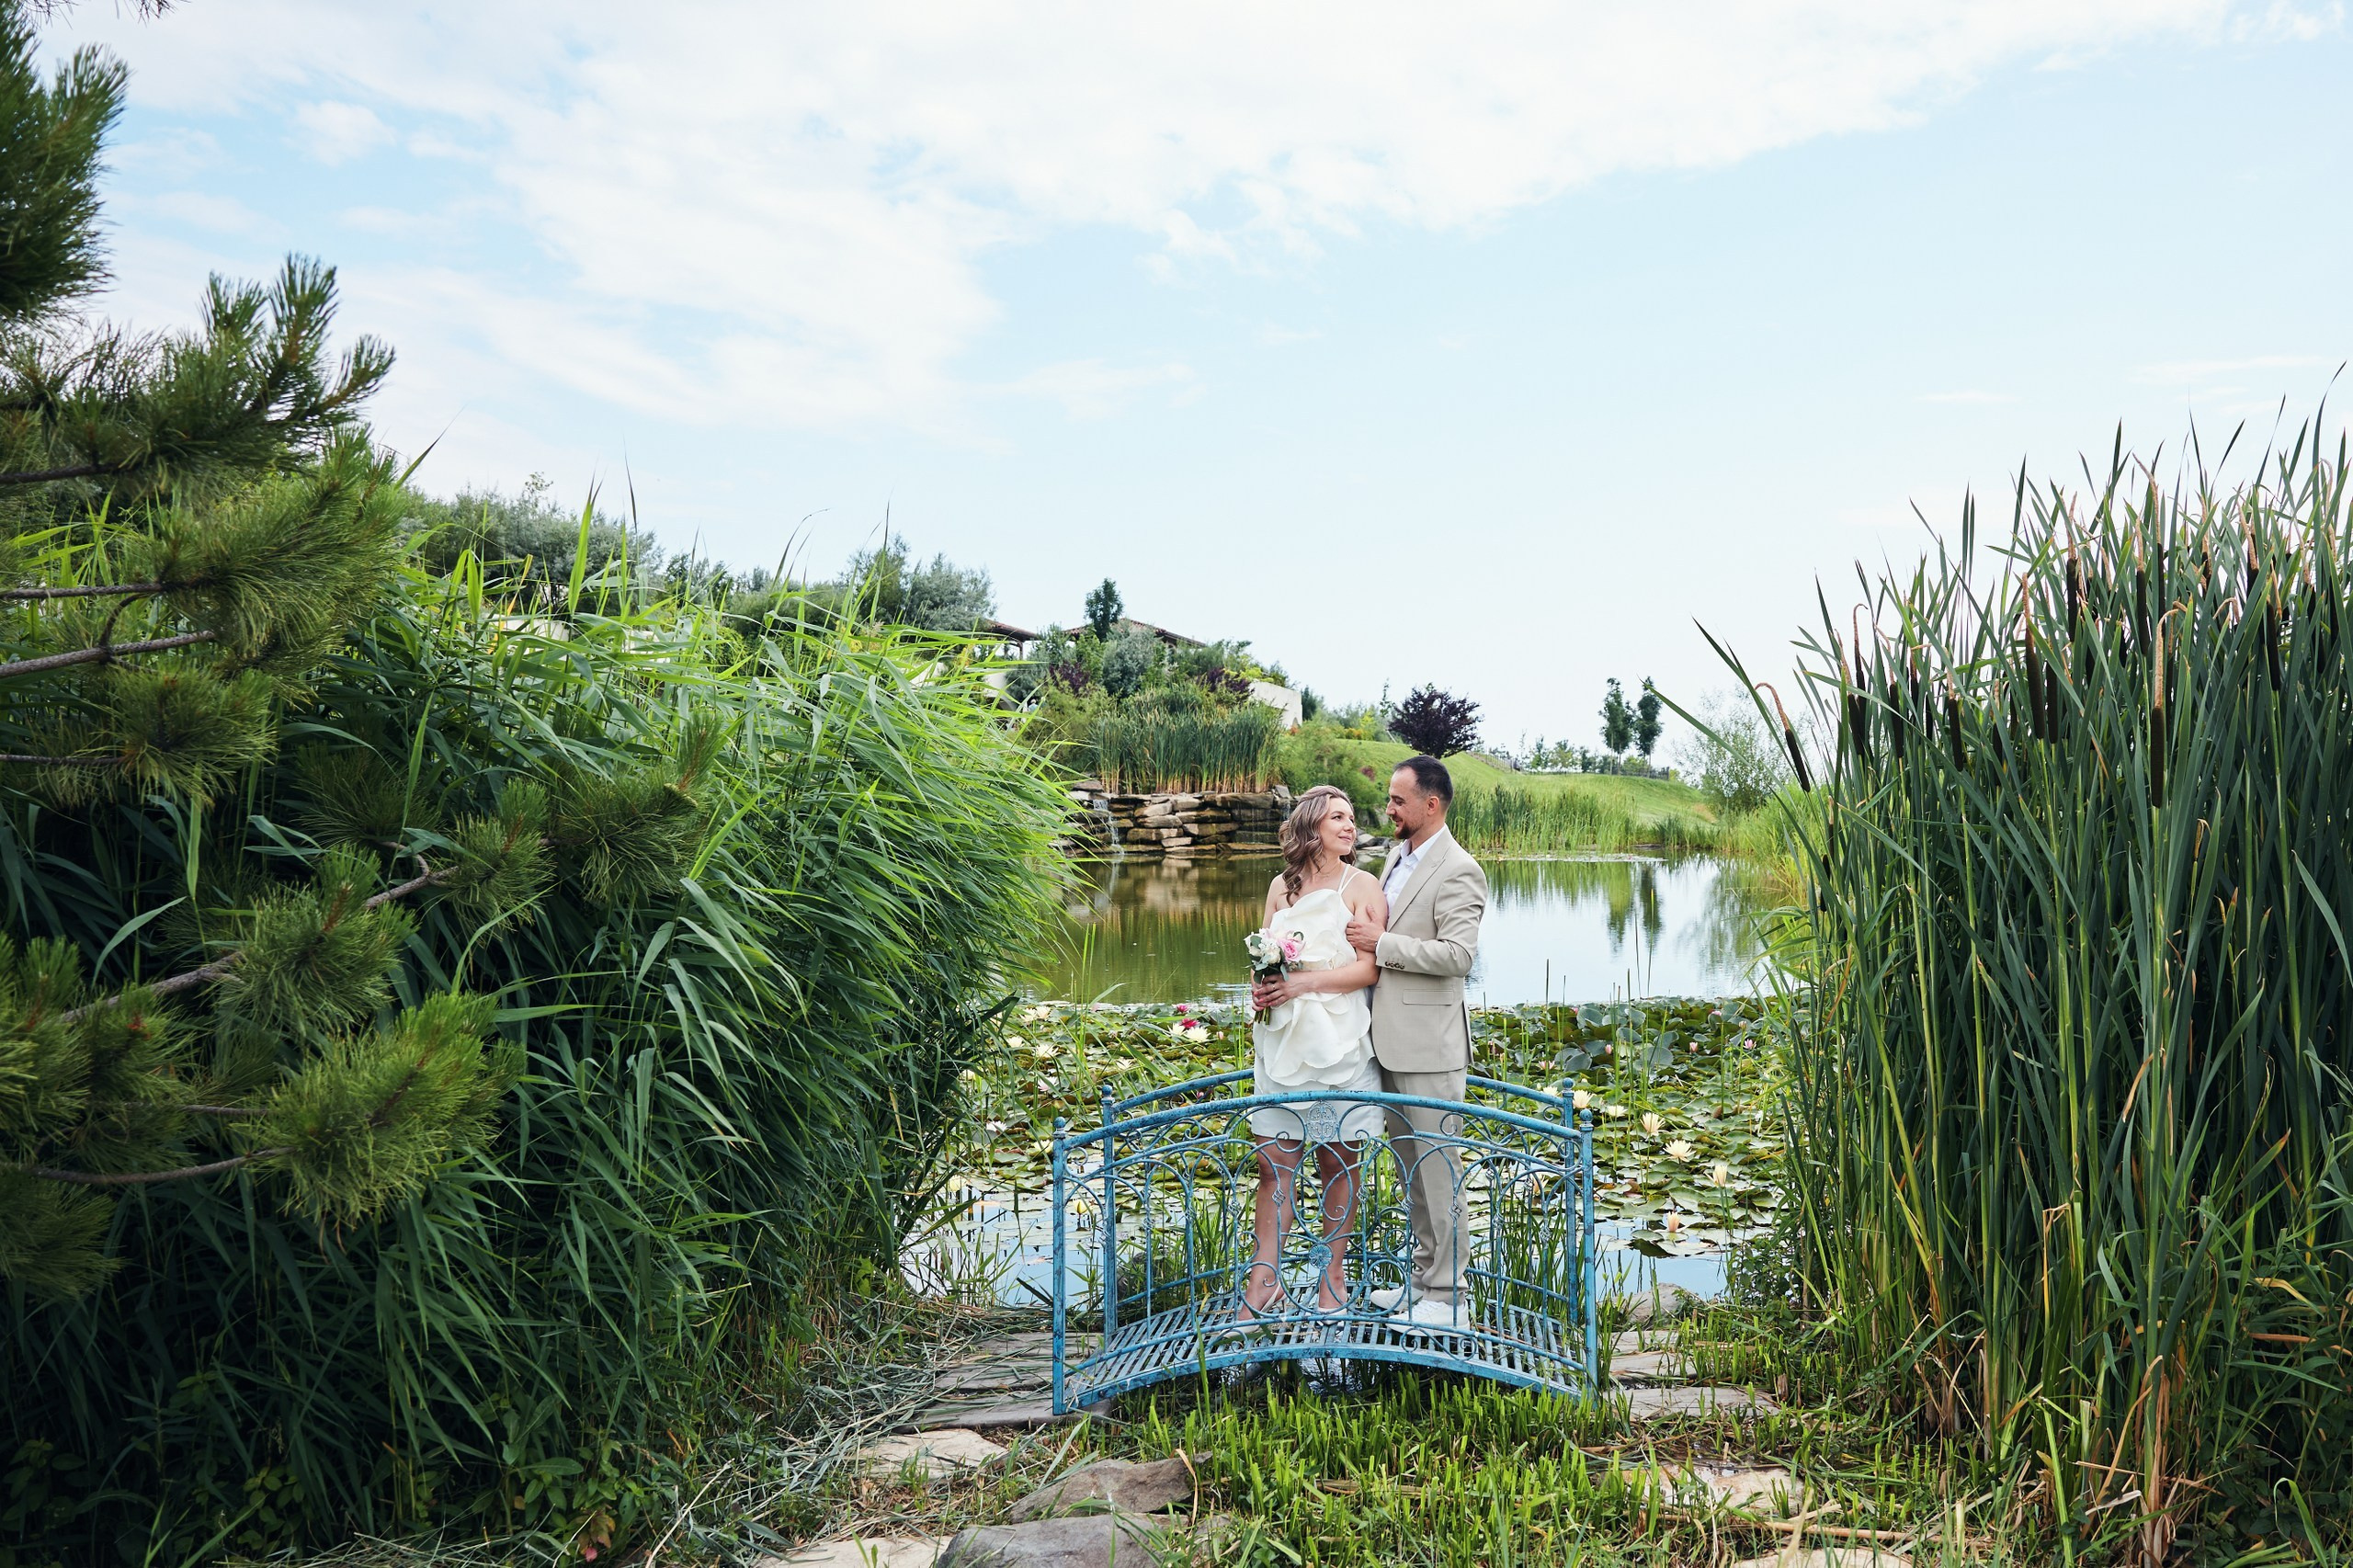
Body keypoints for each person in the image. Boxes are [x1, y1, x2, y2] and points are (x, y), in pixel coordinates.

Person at [1346, 755, 1488, 1330]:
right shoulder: (1395, 859)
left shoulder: (1459, 869)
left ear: (1432, 805)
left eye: (1399, 800)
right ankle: (1425, 1284)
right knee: (1413, 1175)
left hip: (1431, 1048)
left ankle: (1451, 1299)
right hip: (1389, 1044)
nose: (1389, 808)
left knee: (1440, 1173)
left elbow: (1459, 957)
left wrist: (1384, 944)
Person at [1238, 784, 1388, 1319]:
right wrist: (1263, 986)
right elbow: (1266, 956)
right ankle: (1265, 1283)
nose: (1350, 827)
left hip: (1341, 1041)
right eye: (1338, 818)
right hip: (1282, 1038)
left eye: (1351, 818)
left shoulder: (1363, 885)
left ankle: (1332, 1280)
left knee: (1336, 1163)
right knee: (1273, 1165)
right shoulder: (1282, 886)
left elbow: (1370, 969)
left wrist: (1305, 984)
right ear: (1312, 828)